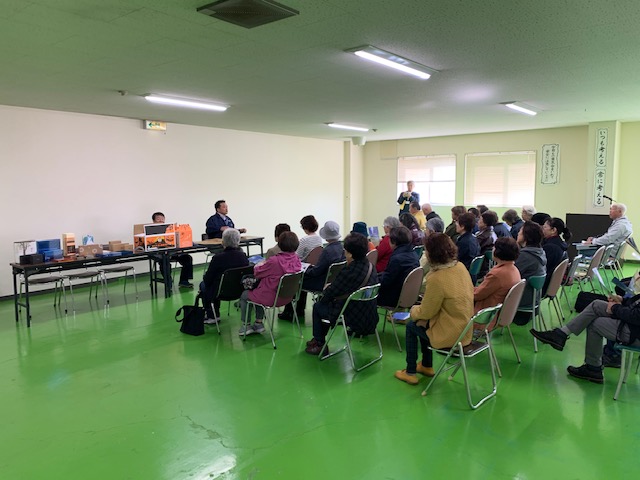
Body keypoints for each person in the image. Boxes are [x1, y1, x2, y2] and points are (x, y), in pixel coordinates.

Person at [394, 233, 474, 385]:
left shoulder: (437, 278)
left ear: (432, 254)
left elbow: (426, 312)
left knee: (412, 326)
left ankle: (410, 372)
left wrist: (413, 310)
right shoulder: (460, 267)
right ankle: (426, 365)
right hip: (465, 330)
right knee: (423, 324)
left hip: (450, 335)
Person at [529, 295, 640, 384]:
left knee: (595, 324)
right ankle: (561, 334)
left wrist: (615, 308)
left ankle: (593, 368)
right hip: (633, 326)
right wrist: (623, 300)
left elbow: (636, 317)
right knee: (596, 305)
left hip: (635, 334)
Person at [305, 233, 379, 355]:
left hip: (352, 315)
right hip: (368, 313)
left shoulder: (349, 271)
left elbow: (330, 293)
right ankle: (318, 340)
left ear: (350, 254)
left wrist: (327, 289)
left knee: (318, 306)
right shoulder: (370, 266)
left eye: (345, 250)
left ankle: (319, 343)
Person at [279, 221, 345, 321]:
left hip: (321, 282)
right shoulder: (341, 247)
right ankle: (299, 310)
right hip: (332, 281)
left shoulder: (327, 251)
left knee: (297, 279)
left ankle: (291, 312)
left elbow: (315, 272)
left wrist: (305, 269)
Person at [238, 231, 302, 336]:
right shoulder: (297, 259)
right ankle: (258, 323)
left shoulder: (274, 261)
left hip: (271, 297)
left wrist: (260, 264)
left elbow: (257, 273)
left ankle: (246, 325)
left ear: (280, 243)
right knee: (259, 291)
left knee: (246, 295)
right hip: (288, 297)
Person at [199, 228, 249, 323]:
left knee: (204, 285)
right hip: (239, 291)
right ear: (238, 241)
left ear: (223, 242)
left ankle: (212, 315)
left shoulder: (217, 258)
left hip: (220, 292)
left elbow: (208, 279)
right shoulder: (243, 256)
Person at [473, 237, 521, 314]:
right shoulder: (514, 270)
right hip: (500, 313)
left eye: (494, 247)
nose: (492, 249)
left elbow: (477, 295)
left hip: (485, 313)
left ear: (499, 251)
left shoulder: (497, 274)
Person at [513, 221, 547, 325]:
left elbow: (510, 274)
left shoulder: (525, 256)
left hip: (520, 302)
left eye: (520, 232)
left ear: (526, 237)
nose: (518, 233)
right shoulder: (540, 252)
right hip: (532, 300)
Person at [377, 226, 420, 308]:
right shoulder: (414, 254)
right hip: (408, 296)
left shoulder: (397, 259)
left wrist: (374, 278)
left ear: (393, 242)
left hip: (393, 299)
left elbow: (385, 281)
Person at [152, 212, 194, 288]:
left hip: (173, 253)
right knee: (164, 262)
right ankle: (168, 282)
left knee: (187, 258)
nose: (161, 220)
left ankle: (184, 281)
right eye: (158, 219)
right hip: (160, 254)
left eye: (162, 219)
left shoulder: (170, 229)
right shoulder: (150, 232)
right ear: (153, 221)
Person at [542, 217, 571, 293]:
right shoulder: (560, 244)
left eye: (545, 227)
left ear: (553, 230)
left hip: (544, 286)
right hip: (552, 285)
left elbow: (543, 268)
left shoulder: (550, 248)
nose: (542, 229)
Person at [475, 210, 498, 280]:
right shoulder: (491, 233)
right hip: (487, 266)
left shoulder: (483, 236)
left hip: (481, 268)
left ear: (485, 223)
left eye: (480, 219)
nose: (478, 221)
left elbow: (474, 250)